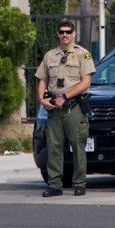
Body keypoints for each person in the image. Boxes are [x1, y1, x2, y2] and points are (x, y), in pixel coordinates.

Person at [35, 19, 95, 197]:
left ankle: (79, 184)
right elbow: (42, 79)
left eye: (68, 32)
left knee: (77, 147)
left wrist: (65, 97)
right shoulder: (50, 55)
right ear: (57, 34)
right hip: (54, 109)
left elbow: (86, 82)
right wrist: (42, 99)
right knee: (54, 148)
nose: (65, 35)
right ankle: (55, 185)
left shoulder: (83, 55)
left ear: (74, 34)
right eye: (61, 32)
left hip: (73, 107)